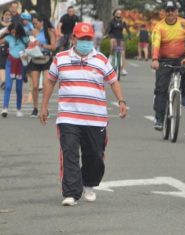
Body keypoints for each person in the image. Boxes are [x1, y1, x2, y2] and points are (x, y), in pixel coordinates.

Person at [39, 22, 127, 206]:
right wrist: (44, 106)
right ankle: (71, 192)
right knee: (69, 153)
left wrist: (121, 101)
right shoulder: (60, 58)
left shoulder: (101, 59)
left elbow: (113, 81)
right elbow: (50, 81)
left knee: (94, 155)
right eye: (82, 39)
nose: (85, 42)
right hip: (68, 117)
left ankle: (89, 183)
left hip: (95, 119)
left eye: (88, 39)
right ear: (73, 39)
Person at [151, 1, 185, 129]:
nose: (170, 12)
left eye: (173, 10)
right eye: (168, 10)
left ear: (177, 11)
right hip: (163, 60)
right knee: (161, 89)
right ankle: (159, 119)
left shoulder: (184, 23)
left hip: (181, 58)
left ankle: (184, 94)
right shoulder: (158, 27)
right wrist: (155, 59)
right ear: (164, 12)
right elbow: (155, 44)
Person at [28, 14, 56, 117]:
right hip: (35, 59)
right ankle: (35, 108)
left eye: (36, 23)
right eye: (33, 23)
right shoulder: (34, 32)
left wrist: (42, 45)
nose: (35, 25)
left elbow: (53, 46)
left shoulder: (49, 32)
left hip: (46, 59)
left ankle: (45, 108)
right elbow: (29, 45)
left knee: (45, 85)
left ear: (42, 22)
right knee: (35, 86)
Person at [0, 22, 29, 117]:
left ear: (19, 31)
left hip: (20, 63)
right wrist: (5, 30)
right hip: (10, 62)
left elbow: (30, 48)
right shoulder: (8, 37)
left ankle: (19, 109)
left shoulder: (25, 38)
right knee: (8, 86)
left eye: (15, 32)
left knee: (18, 88)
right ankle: (4, 109)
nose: (13, 33)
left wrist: (27, 54)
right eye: (11, 31)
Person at [107, 8, 131, 76]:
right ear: (114, 14)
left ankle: (123, 69)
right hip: (113, 36)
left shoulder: (123, 22)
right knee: (113, 45)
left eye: (120, 13)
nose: (119, 14)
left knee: (122, 53)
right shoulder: (111, 22)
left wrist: (129, 36)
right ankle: (111, 56)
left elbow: (127, 29)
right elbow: (108, 30)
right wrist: (107, 35)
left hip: (120, 38)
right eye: (117, 13)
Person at [0, 10, 12, 90]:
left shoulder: (13, 25)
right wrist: (4, 31)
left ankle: (7, 80)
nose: (7, 16)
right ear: (3, 15)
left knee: (9, 64)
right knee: (2, 64)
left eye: (9, 15)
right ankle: (4, 81)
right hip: (1, 46)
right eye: (6, 14)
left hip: (11, 47)